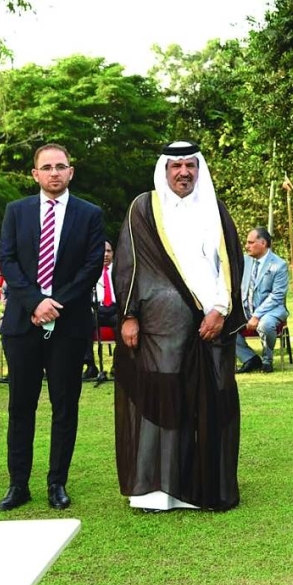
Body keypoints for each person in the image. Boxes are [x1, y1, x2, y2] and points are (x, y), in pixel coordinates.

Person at [113, 141, 244, 512]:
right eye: (176, 166)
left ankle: (201, 485)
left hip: (208, 326)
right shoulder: (144, 208)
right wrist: (129, 315)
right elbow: (128, 263)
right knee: (162, 400)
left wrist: (220, 309)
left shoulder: (214, 210)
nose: (183, 172)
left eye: (190, 165)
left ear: (199, 169)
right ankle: (156, 490)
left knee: (208, 399)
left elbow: (230, 264)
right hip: (159, 329)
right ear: (164, 170)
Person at [0, 143, 105, 512]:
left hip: (69, 323)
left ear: (71, 172)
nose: (54, 172)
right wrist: (34, 302)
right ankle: (18, 485)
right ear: (35, 174)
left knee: (64, 406)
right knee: (20, 406)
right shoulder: (17, 211)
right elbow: (7, 260)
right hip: (22, 324)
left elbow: (91, 266)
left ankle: (57, 482)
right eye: (47, 167)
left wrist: (54, 304)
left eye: (61, 166)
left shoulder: (89, 214)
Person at [235, 226, 289, 374]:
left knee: (265, 324)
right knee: (225, 325)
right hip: (246, 310)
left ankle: (267, 360)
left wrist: (257, 315)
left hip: (271, 310)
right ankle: (250, 359)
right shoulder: (243, 262)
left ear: (263, 243)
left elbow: (277, 296)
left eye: (251, 242)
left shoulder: (279, 265)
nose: (247, 246)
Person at [83, 240, 116, 380]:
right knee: (83, 324)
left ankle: (117, 365)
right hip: (97, 309)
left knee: (124, 325)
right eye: (102, 251)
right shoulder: (91, 272)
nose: (105, 254)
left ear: (113, 253)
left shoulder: (120, 271)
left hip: (116, 309)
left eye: (108, 251)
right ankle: (91, 366)